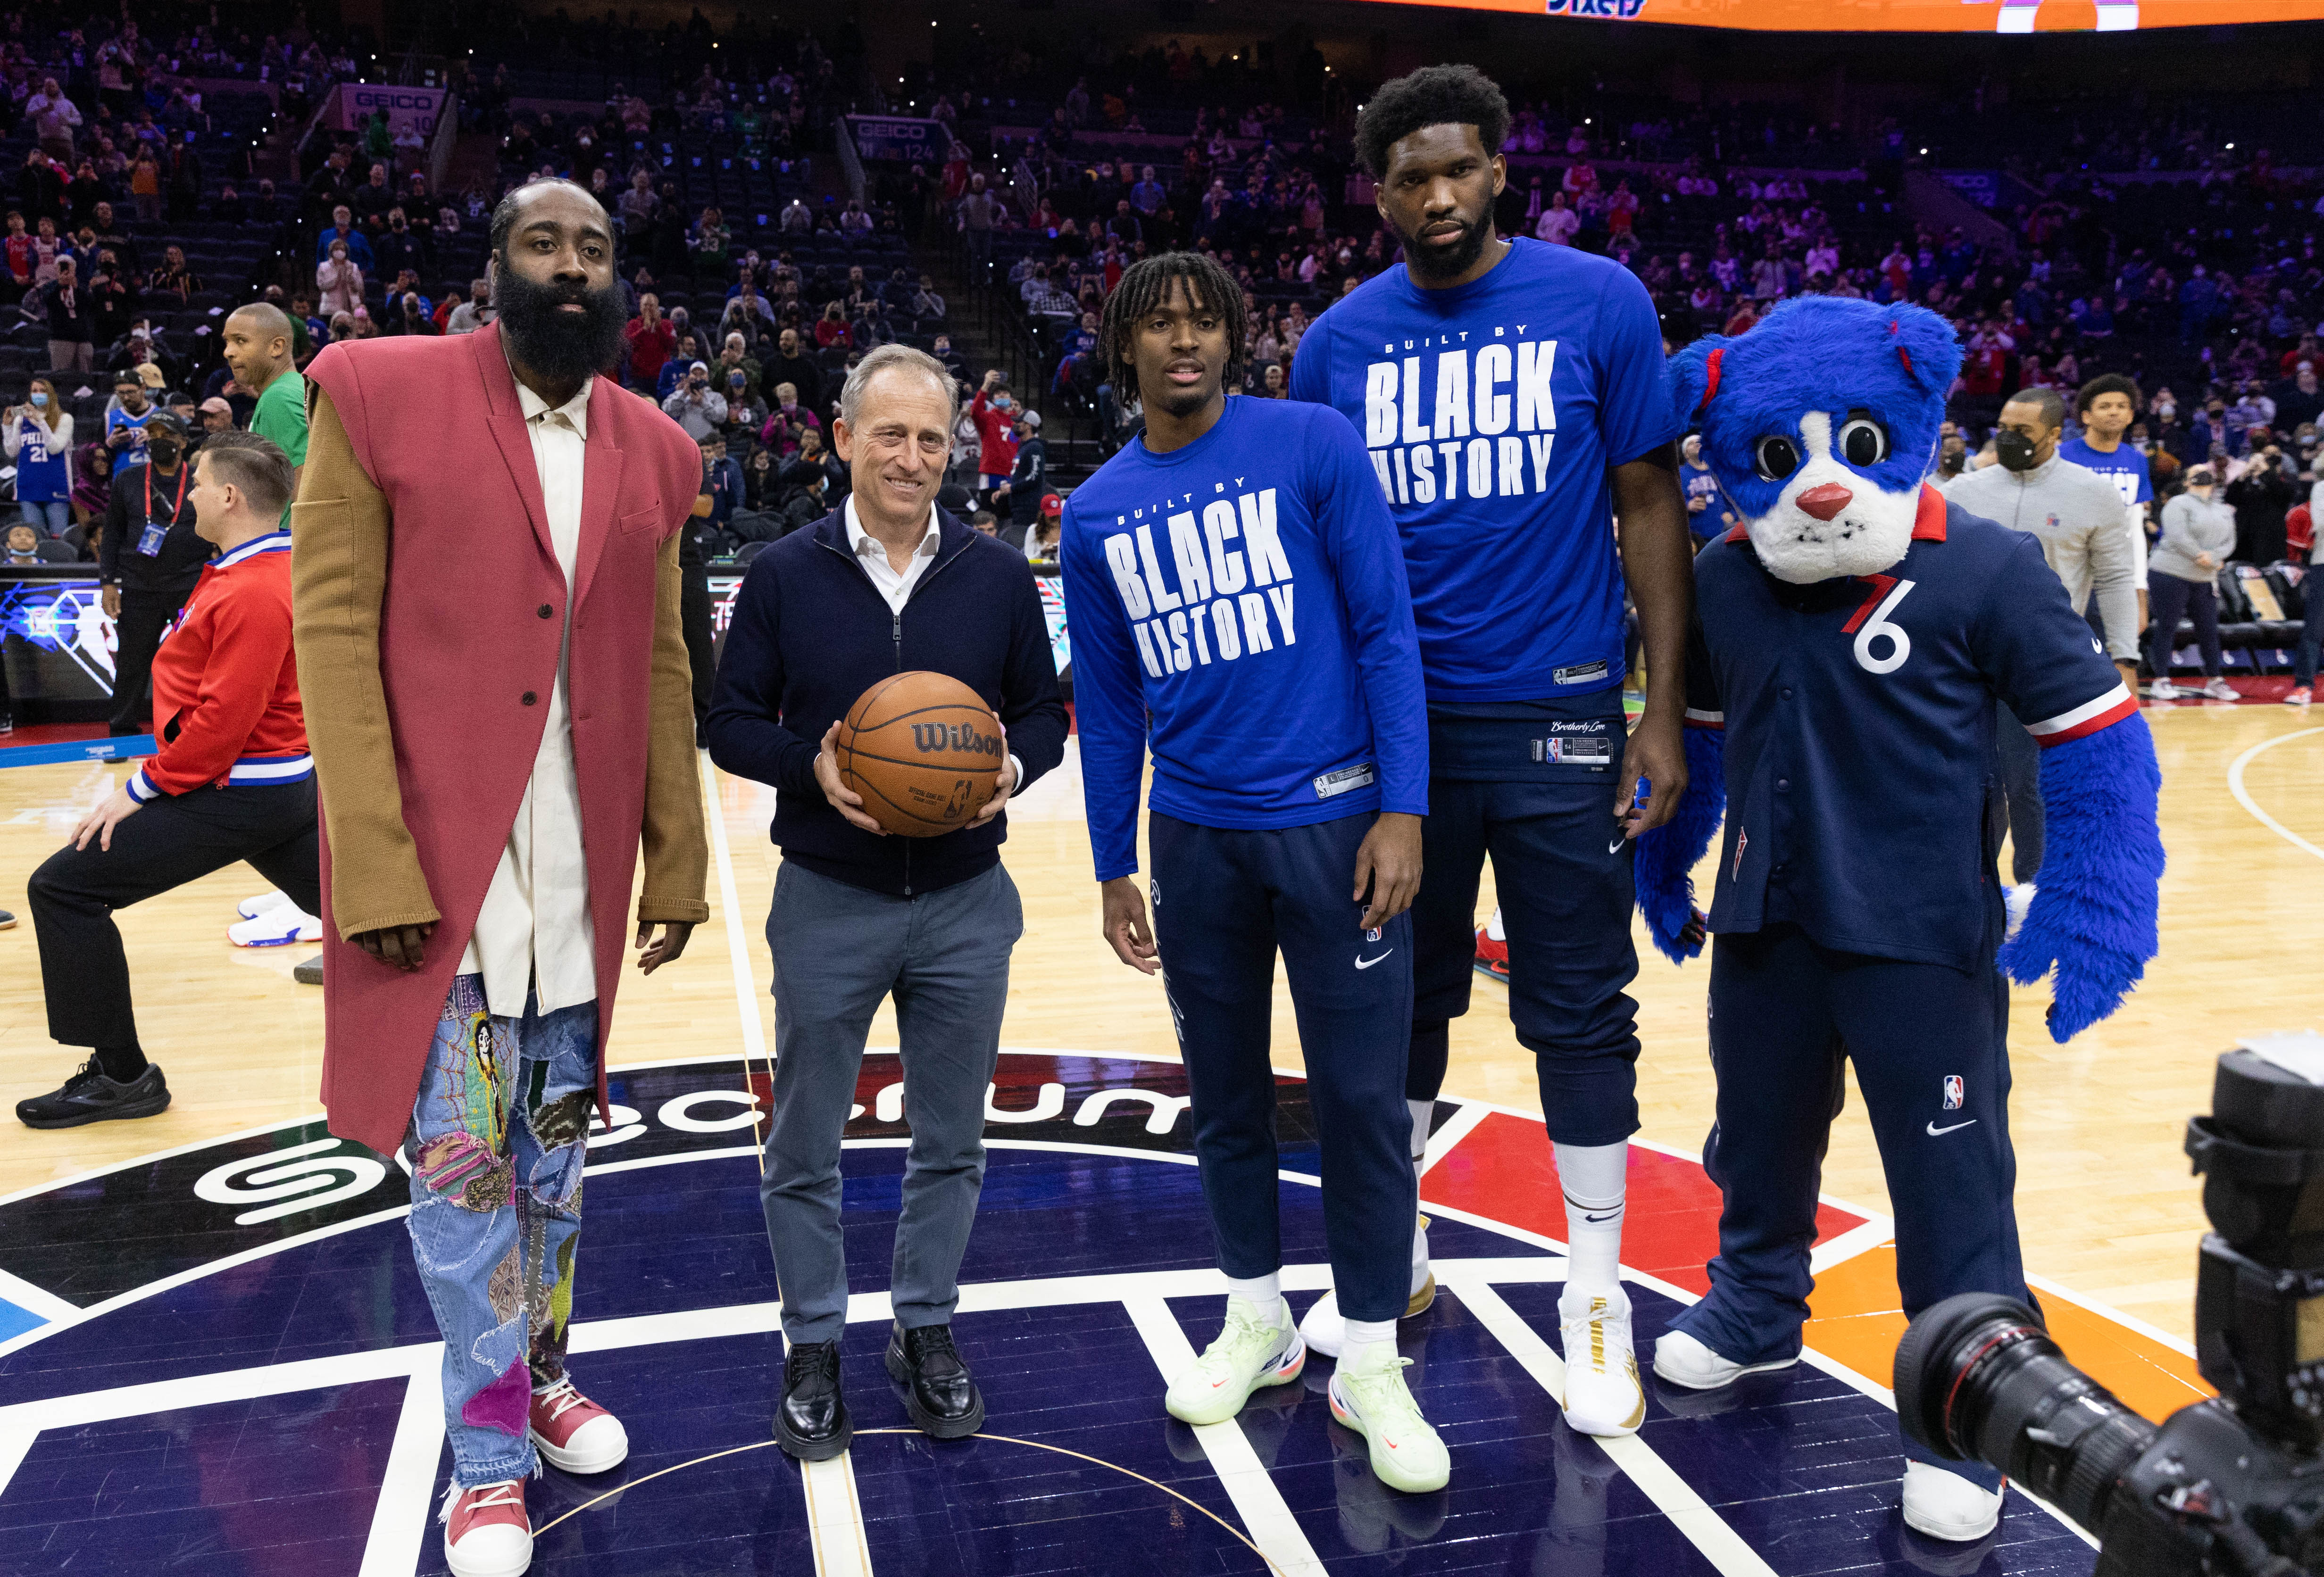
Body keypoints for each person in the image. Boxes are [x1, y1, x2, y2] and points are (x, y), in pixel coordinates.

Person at [291, 177, 708, 1576]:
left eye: (594, 249)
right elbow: (332, 632)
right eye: (544, 243)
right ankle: (484, 1461)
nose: (572, 268)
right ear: (496, 264)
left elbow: (659, 662)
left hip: (577, 883)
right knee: (464, 1184)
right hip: (441, 888)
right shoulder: (372, 389)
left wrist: (678, 857)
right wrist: (372, 862)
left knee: (559, 1169)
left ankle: (539, 1374)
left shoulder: (654, 447)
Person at [1288, 64, 1693, 1436]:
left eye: (1459, 169)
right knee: (1393, 1001)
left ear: (1499, 169)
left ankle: (1595, 1291)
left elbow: (1649, 509)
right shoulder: (1335, 345)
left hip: (1565, 716)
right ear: (1380, 191)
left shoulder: (1601, 304)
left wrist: (1657, 707)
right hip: (1389, 736)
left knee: (1577, 1005)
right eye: (1410, 178)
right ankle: (1390, 1259)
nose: (1438, 196)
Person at [1065, 252, 1445, 1493]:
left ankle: (1372, 1358)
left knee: (1356, 1106)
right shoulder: (1096, 510)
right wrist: (1112, 857)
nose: (1184, 343)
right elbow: (1109, 695)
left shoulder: (1312, 442)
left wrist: (1402, 808)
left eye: (1203, 324)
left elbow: (1386, 628)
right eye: (1158, 326)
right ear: (1123, 348)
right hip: (1193, 839)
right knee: (1221, 1097)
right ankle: (1253, 1319)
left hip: (1336, 827)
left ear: (1234, 340)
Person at [705, 343, 1069, 1467]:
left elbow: (1044, 718)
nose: (912, 457)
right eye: (890, 434)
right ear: (841, 439)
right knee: (803, 1140)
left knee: (949, 1141)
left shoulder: (998, 574)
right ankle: (812, 1343)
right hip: (828, 893)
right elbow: (728, 722)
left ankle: (923, 1327)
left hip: (965, 898)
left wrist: (1011, 765)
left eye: (930, 437)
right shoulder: (782, 573)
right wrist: (806, 767)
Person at [18, 433, 315, 1129]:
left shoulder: (254, 587)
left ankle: (123, 1077)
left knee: (63, 889)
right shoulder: (253, 568)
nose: (192, 498)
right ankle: (467, 1019)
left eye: (203, 484)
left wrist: (140, 789)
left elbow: (223, 721)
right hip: (270, 787)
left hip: (238, 791)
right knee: (361, 921)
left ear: (231, 497)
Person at [1939, 386, 2139, 913]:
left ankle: (2037, 902)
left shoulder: (2092, 493)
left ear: (2055, 434)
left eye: (2022, 432)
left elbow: (2116, 577)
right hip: (1959, 660)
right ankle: (1966, 896)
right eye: (2003, 426)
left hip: (2042, 663)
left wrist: (2125, 656)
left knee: (2031, 790)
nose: (2008, 438)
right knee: (1969, 783)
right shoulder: (1965, 489)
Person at [100, 413, 205, 736]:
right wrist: (108, 583)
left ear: (184, 442)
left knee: (193, 664)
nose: (159, 441)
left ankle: (194, 730)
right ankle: (121, 731)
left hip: (189, 585)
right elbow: (113, 533)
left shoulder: (201, 480)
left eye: (167, 435)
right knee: (132, 662)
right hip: (139, 585)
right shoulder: (129, 480)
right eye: (153, 434)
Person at [2061, 373, 2155, 638]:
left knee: (2121, 662)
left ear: (2130, 416)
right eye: (2104, 406)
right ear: (2086, 416)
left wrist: (2140, 595)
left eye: (2121, 406)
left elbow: (2135, 532)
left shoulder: (2136, 460)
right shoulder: (2061, 456)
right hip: (2067, 576)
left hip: (2115, 577)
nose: (2114, 412)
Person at [2146, 467, 2239, 702]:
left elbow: (2230, 541)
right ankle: (2161, 680)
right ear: (2187, 482)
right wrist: (2200, 555)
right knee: (2167, 626)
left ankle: (2215, 681)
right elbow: (2177, 535)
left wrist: (2214, 558)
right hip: (2170, 572)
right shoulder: (2178, 503)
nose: (2203, 477)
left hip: (2205, 578)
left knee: (2209, 630)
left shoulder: (2223, 510)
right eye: (2197, 474)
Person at [223, 303, 307, 502]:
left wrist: (293, 534)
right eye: (227, 342)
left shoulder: (280, 397)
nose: (228, 352)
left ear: (277, 347)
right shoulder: (293, 387)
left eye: (241, 341)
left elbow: (307, 485)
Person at [5, 378, 74, 536]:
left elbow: (55, 448)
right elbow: (12, 451)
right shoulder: (21, 421)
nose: (38, 394)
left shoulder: (65, 419)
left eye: (43, 391)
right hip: (28, 485)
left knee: (58, 539)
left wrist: (41, 423)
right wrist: (7, 426)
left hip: (56, 485)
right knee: (34, 538)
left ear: (51, 394)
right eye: (34, 391)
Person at [663, 360, 726, 441]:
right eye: (695, 374)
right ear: (689, 376)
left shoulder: (716, 397)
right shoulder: (679, 394)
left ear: (707, 377)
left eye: (702, 374)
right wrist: (684, 395)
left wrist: (702, 402)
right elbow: (667, 411)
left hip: (710, 445)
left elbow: (721, 418)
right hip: (686, 443)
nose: (698, 377)